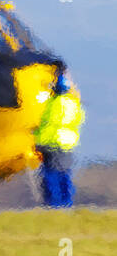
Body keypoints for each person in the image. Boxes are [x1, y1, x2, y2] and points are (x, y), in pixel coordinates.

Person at [34, 68, 84, 208]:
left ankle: (52, 205)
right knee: (65, 175)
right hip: (67, 144)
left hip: (50, 144)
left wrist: (35, 140)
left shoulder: (50, 103)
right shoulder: (73, 104)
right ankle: (66, 203)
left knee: (50, 175)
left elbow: (42, 124)